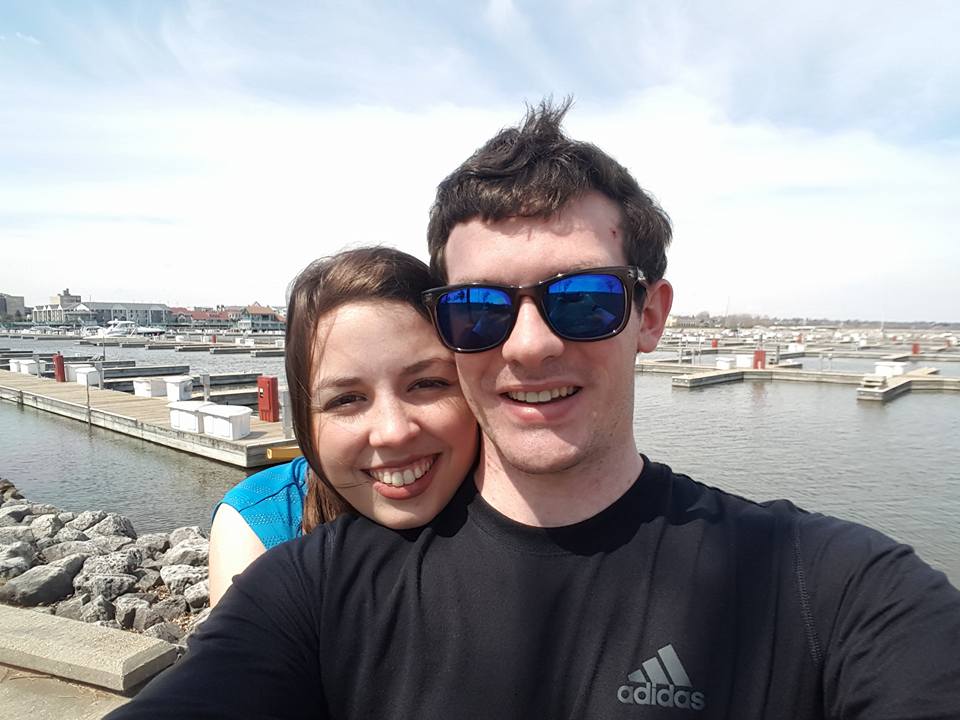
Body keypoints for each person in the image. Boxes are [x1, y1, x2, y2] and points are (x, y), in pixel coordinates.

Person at [109, 102, 960, 719]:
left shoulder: (826, 585)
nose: (526, 347)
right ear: (450, 327)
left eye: (582, 299)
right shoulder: (317, 589)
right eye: (480, 309)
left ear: (650, 315)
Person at [208, 246, 478, 606]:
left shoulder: (530, 495)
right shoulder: (263, 521)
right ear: (305, 420)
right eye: (346, 399)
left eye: (427, 383)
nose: (394, 431)